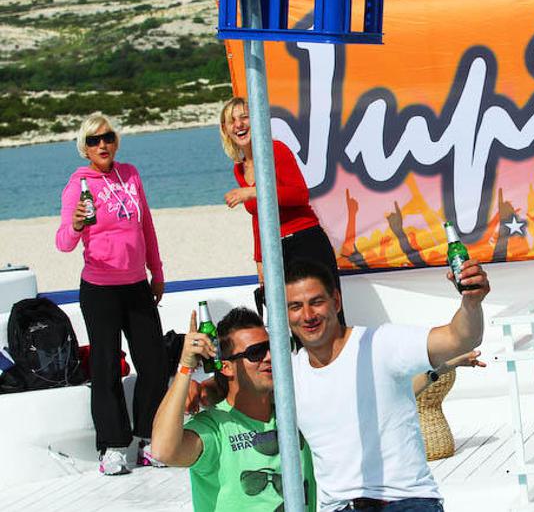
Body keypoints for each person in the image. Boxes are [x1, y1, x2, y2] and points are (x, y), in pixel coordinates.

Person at [285, 257, 489, 511]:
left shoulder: (380, 343)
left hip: (404, 502)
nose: (307, 315)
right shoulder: (288, 375)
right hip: (338, 507)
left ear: (336, 301)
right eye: (295, 306)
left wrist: (471, 302)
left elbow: (460, 338)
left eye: (316, 302)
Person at [55, 113, 168, 476]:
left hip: (136, 285)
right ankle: (113, 447)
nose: (101, 145)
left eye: (107, 137)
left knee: (154, 363)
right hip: (100, 289)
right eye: (93, 140)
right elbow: (63, 243)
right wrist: (76, 224)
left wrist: (157, 272)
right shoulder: (77, 185)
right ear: (84, 148)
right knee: (105, 368)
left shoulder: (130, 174)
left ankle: (149, 440)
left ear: (116, 141)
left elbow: (146, 226)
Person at [150, 307, 318, 511]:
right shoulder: (215, 428)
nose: (269, 357)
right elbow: (162, 451)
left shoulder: (296, 408)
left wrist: (205, 386)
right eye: (255, 353)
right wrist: (185, 368)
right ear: (227, 367)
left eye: (272, 348)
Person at [218, 96, 343, 320]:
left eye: (244, 117)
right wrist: (260, 261)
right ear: (226, 130)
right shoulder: (239, 169)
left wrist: (254, 191)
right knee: (294, 320)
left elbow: (299, 195)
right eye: (232, 121)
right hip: (275, 250)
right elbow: (258, 218)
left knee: (327, 316)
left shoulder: (275, 149)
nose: (239, 124)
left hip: (305, 242)